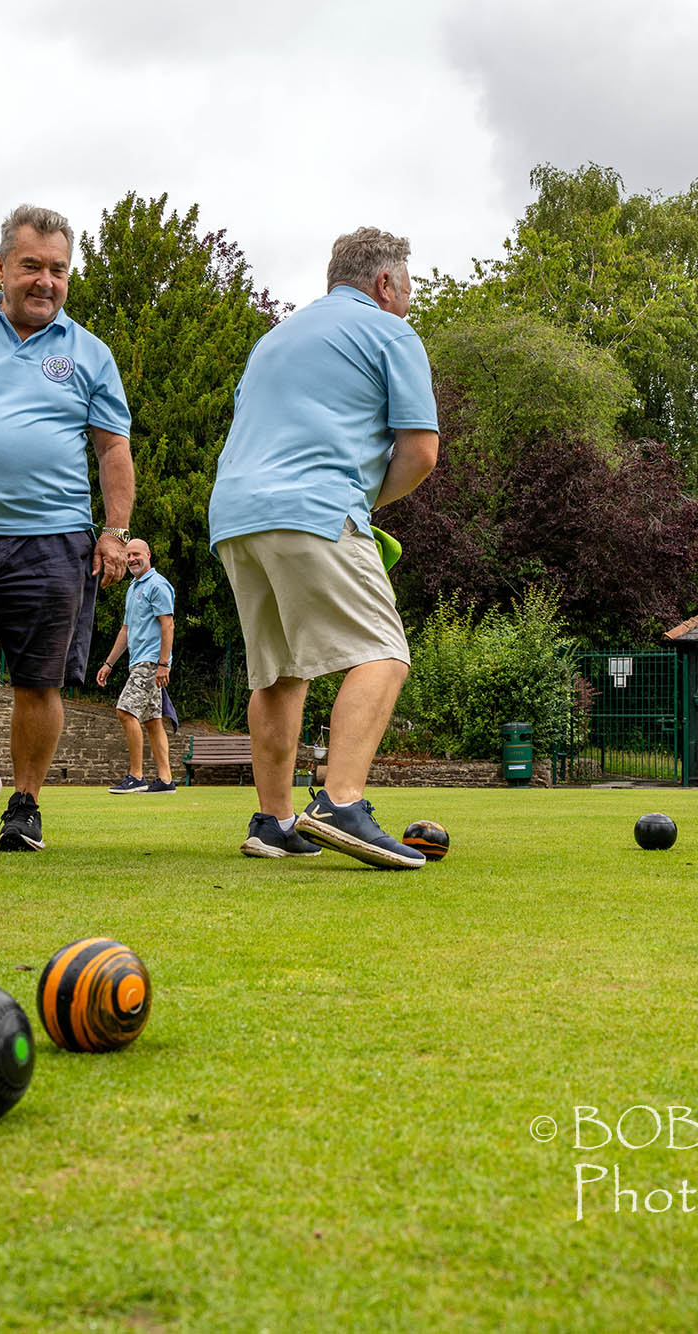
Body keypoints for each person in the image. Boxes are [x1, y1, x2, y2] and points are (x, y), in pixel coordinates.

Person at [207, 227, 439, 867]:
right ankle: (339, 801)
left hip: (234, 515)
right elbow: (420, 453)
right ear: (386, 284)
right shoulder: (391, 331)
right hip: (313, 506)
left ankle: (274, 821)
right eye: (409, 286)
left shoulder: (275, 338)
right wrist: (360, 503)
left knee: (280, 672)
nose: (410, 298)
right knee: (383, 653)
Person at [0, 205, 134, 851]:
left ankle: (26, 805)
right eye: (32, 266)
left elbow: (113, 452)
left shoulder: (90, 353)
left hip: (54, 539)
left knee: (37, 680)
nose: (45, 281)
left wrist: (113, 533)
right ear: (0, 267)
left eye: (58, 270)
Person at [96, 539, 177, 794]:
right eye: (128, 555)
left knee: (125, 711)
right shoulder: (132, 588)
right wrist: (109, 663)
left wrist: (164, 664)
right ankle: (165, 780)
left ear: (148, 555)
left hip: (151, 662)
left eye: (136, 554)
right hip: (137, 662)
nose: (131, 559)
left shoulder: (157, 585)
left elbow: (168, 625)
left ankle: (136, 776)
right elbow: (126, 630)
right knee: (153, 721)